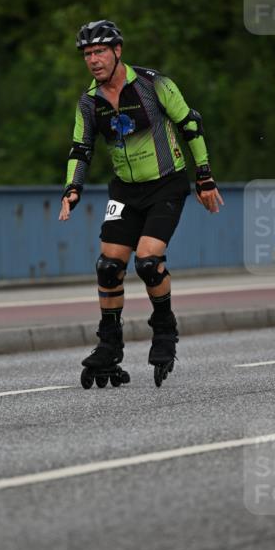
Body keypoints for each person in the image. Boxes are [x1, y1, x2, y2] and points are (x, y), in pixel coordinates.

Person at [58, 19, 223, 387]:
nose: (94, 60)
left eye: (100, 51)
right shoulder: (90, 102)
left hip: (167, 184)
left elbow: (190, 124)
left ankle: (164, 329)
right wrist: (73, 188)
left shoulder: (153, 84)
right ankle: (109, 344)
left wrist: (205, 177)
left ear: (118, 51)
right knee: (108, 266)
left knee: (148, 262)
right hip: (125, 191)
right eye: (87, 54)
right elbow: (81, 149)